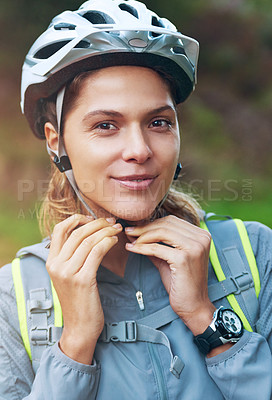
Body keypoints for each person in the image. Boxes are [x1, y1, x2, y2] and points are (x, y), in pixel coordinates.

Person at [0, 0, 272, 399]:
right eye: (106, 125)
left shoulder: (255, 254)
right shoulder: (13, 300)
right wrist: (74, 345)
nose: (139, 150)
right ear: (57, 142)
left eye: (158, 122)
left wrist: (206, 319)